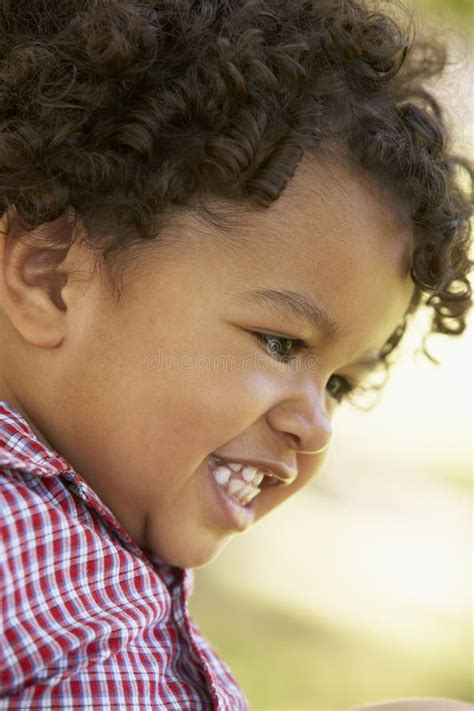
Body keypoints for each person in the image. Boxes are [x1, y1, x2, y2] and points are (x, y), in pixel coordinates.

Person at [0, 0, 471, 708]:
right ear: (52, 279)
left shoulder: (95, 550)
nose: (316, 427)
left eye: (339, 384)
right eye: (281, 342)